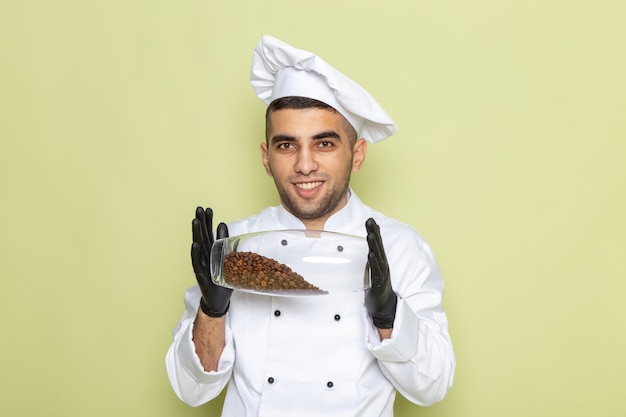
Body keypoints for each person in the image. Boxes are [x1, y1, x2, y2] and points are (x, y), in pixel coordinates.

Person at [166, 35, 455, 416]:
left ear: (358, 154)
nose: (304, 165)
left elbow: (433, 386)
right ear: (266, 157)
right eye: (287, 145)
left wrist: (389, 316)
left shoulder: (400, 247)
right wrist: (212, 309)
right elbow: (190, 390)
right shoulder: (234, 249)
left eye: (324, 144)